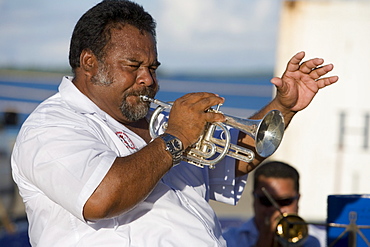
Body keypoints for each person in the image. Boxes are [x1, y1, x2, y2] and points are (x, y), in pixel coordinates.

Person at [10, 0, 338, 246]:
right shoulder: (51, 127)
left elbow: (234, 161)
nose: (147, 79)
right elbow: (99, 199)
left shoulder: (154, 125)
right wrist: (177, 136)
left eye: (153, 67)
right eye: (133, 65)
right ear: (89, 63)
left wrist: (283, 107)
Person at [223, 161, 326, 247]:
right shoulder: (227, 240)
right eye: (266, 201)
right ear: (254, 199)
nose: (275, 210)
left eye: (285, 201)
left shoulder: (322, 240)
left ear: (297, 199)